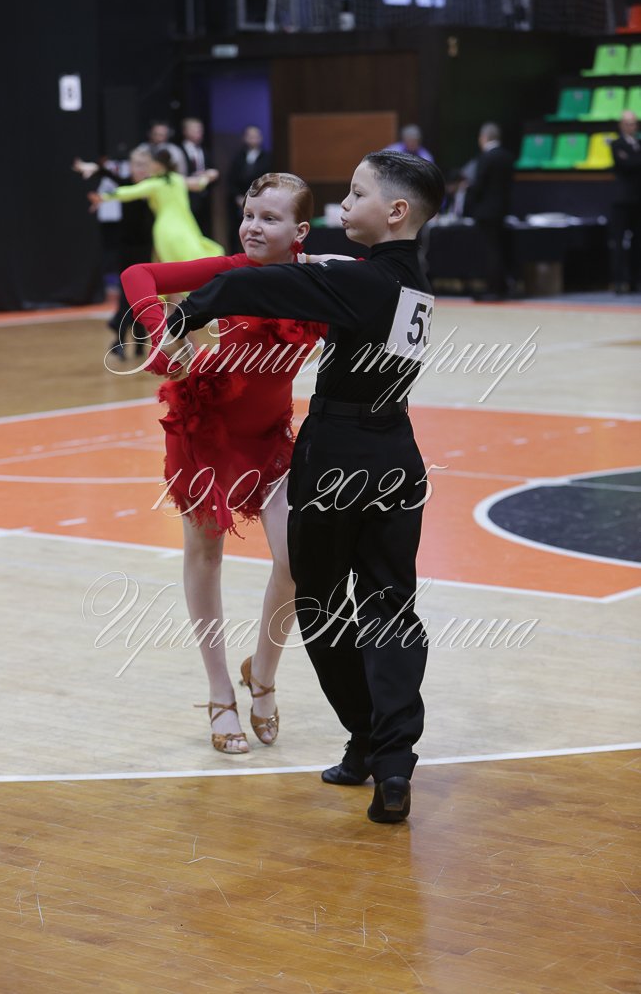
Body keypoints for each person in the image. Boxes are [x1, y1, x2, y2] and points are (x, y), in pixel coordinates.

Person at [155, 152, 445, 824]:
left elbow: (260, 287)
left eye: (357, 194)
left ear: (396, 211)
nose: (346, 204)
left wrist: (189, 311)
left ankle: (367, 737)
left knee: (319, 602)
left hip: (339, 455)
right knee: (392, 608)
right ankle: (389, 760)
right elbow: (317, 280)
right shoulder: (415, 284)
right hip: (397, 455)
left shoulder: (362, 282)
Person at [121, 173, 327, 755]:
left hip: (269, 439)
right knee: (205, 553)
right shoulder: (231, 270)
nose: (253, 227)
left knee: (296, 559)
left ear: (300, 231)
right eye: (248, 215)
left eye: (269, 218)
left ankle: (262, 673)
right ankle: (219, 692)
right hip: (207, 432)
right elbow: (138, 276)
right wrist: (164, 335)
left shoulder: (318, 277)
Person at [74, 149, 155, 357]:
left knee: (141, 297)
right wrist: (90, 168)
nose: (140, 169)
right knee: (127, 295)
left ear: (150, 168)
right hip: (126, 247)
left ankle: (132, 339)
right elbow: (107, 173)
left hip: (145, 248)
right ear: (131, 167)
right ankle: (124, 340)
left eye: (144, 165)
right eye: (136, 165)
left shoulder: (153, 186)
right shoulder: (125, 182)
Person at [89, 148, 222, 264]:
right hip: (186, 227)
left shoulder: (155, 184)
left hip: (166, 229)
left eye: (150, 163)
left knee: (170, 268)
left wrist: (103, 197)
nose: (147, 166)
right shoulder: (177, 179)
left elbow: (129, 192)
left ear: (158, 165)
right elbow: (199, 184)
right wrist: (207, 177)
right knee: (191, 261)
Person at [468, 122, 514, 301]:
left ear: (483, 137)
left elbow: (479, 185)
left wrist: (470, 203)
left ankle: (492, 288)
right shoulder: (507, 157)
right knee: (500, 248)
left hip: (486, 211)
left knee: (491, 250)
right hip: (502, 210)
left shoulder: (486, 157)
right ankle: (502, 286)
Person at [227, 125, 273, 252]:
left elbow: (269, 180)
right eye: (250, 136)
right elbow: (231, 180)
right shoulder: (238, 157)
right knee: (237, 231)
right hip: (239, 202)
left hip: (261, 200)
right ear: (244, 138)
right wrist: (238, 197)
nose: (253, 139)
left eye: (256, 136)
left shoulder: (268, 157)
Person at [610, 110, 641, 293]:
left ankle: (636, 280)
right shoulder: (616, 144)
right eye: (628, 123)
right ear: (621, 125)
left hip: (638, 200)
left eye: (634, 123)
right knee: (619, 241)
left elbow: (632, 162)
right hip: (622, 200)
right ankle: (619, 281)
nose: (632, 127)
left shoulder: (638, 144)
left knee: (638, 242)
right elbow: (626, 164)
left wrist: (633, 160)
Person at [179, 117, 217, 237]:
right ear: (185, 131)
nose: (199, 132)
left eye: (200, 129)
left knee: (204, 233)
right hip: (185, 199)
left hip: (204, 199)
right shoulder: (178, 151)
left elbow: (214, 171)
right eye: (195, 129)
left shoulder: (204, 151)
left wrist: (211, 175)